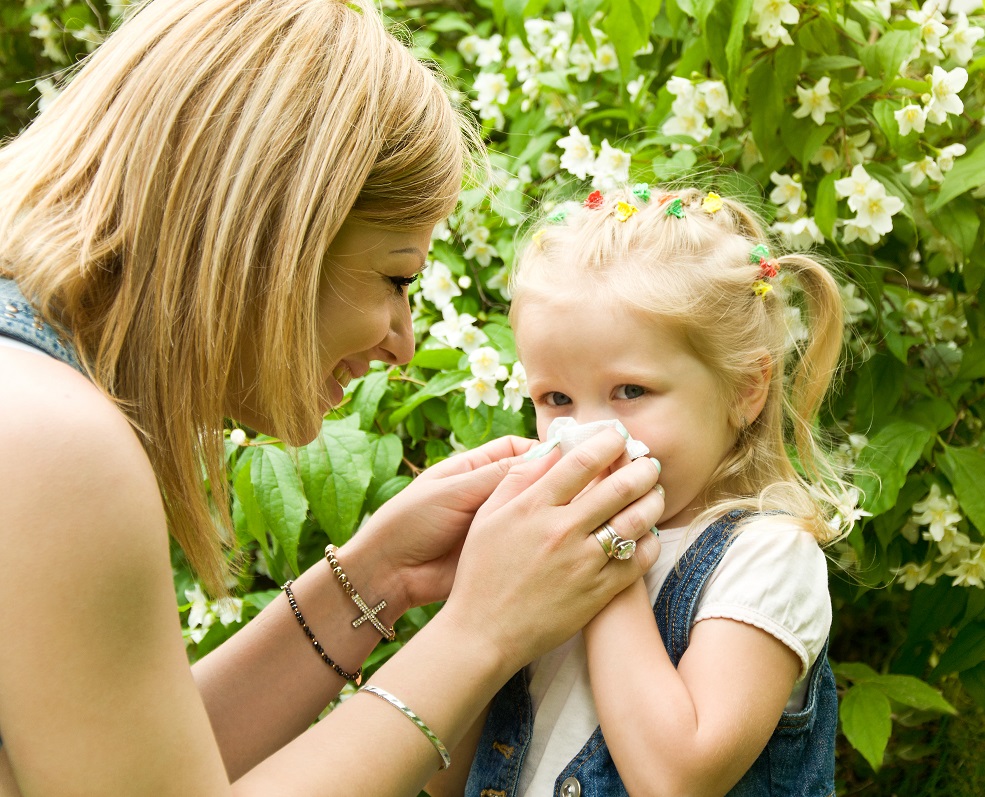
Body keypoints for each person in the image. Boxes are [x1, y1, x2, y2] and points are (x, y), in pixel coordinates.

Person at [0, 2, 663, 795]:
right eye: (396, 277)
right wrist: (484, 628)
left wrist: (380, 574)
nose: (402, 343)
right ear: (275, 233)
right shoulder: (50, 439)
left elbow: (140, 767)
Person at [426, 186, 849, 796]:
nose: (590, 434)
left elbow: (677, 779)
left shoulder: (767, 557)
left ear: (744, 389)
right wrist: (477, 594)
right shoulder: (540, 552)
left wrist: (607, 550)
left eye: (630, 391)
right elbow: (446, 778)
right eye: (557, 399)